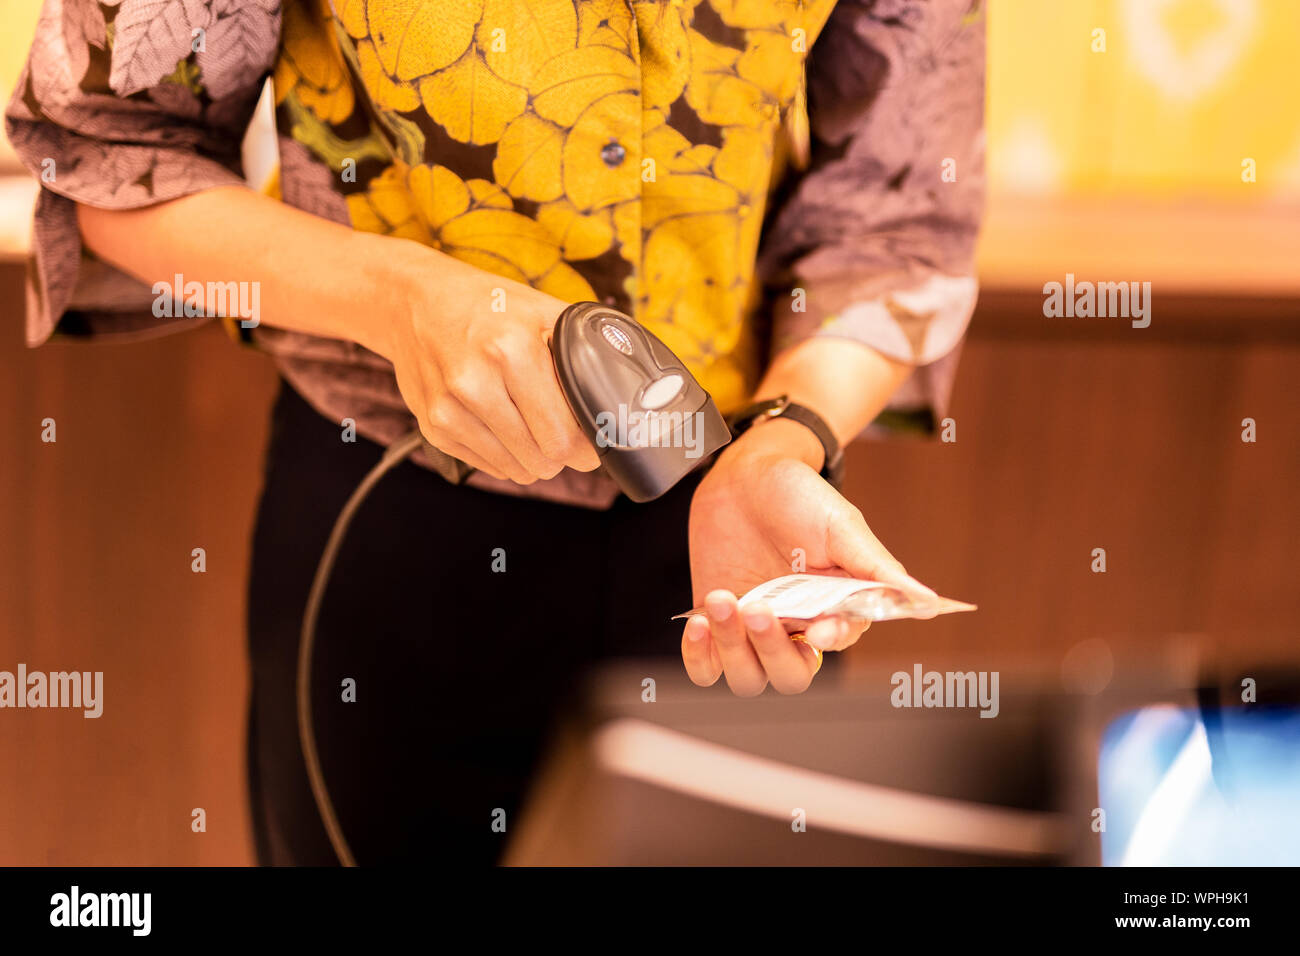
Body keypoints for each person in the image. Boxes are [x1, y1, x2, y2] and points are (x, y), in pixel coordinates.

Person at [7, 0, 985, 864]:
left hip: (737, 538)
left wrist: (786, 438)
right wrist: (403, 300)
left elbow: (897, 220)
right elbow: (108, 149)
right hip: (390, 519)